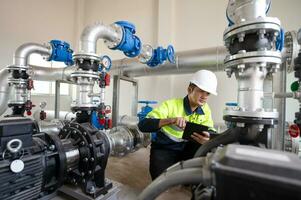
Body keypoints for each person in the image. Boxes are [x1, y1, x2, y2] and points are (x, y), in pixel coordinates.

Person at [138, 69, 218, 180]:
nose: (204, 96)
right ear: (190, 89)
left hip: (187, 147)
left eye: (207, 93)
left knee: (209, 150)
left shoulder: (206, 109)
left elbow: (211, 131)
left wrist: (207, 139)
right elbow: (143, 125)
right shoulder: (171, 105)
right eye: (201, 91)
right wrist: (171, 120)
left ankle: (187, 177)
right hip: (165, 147)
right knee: (159, 181)